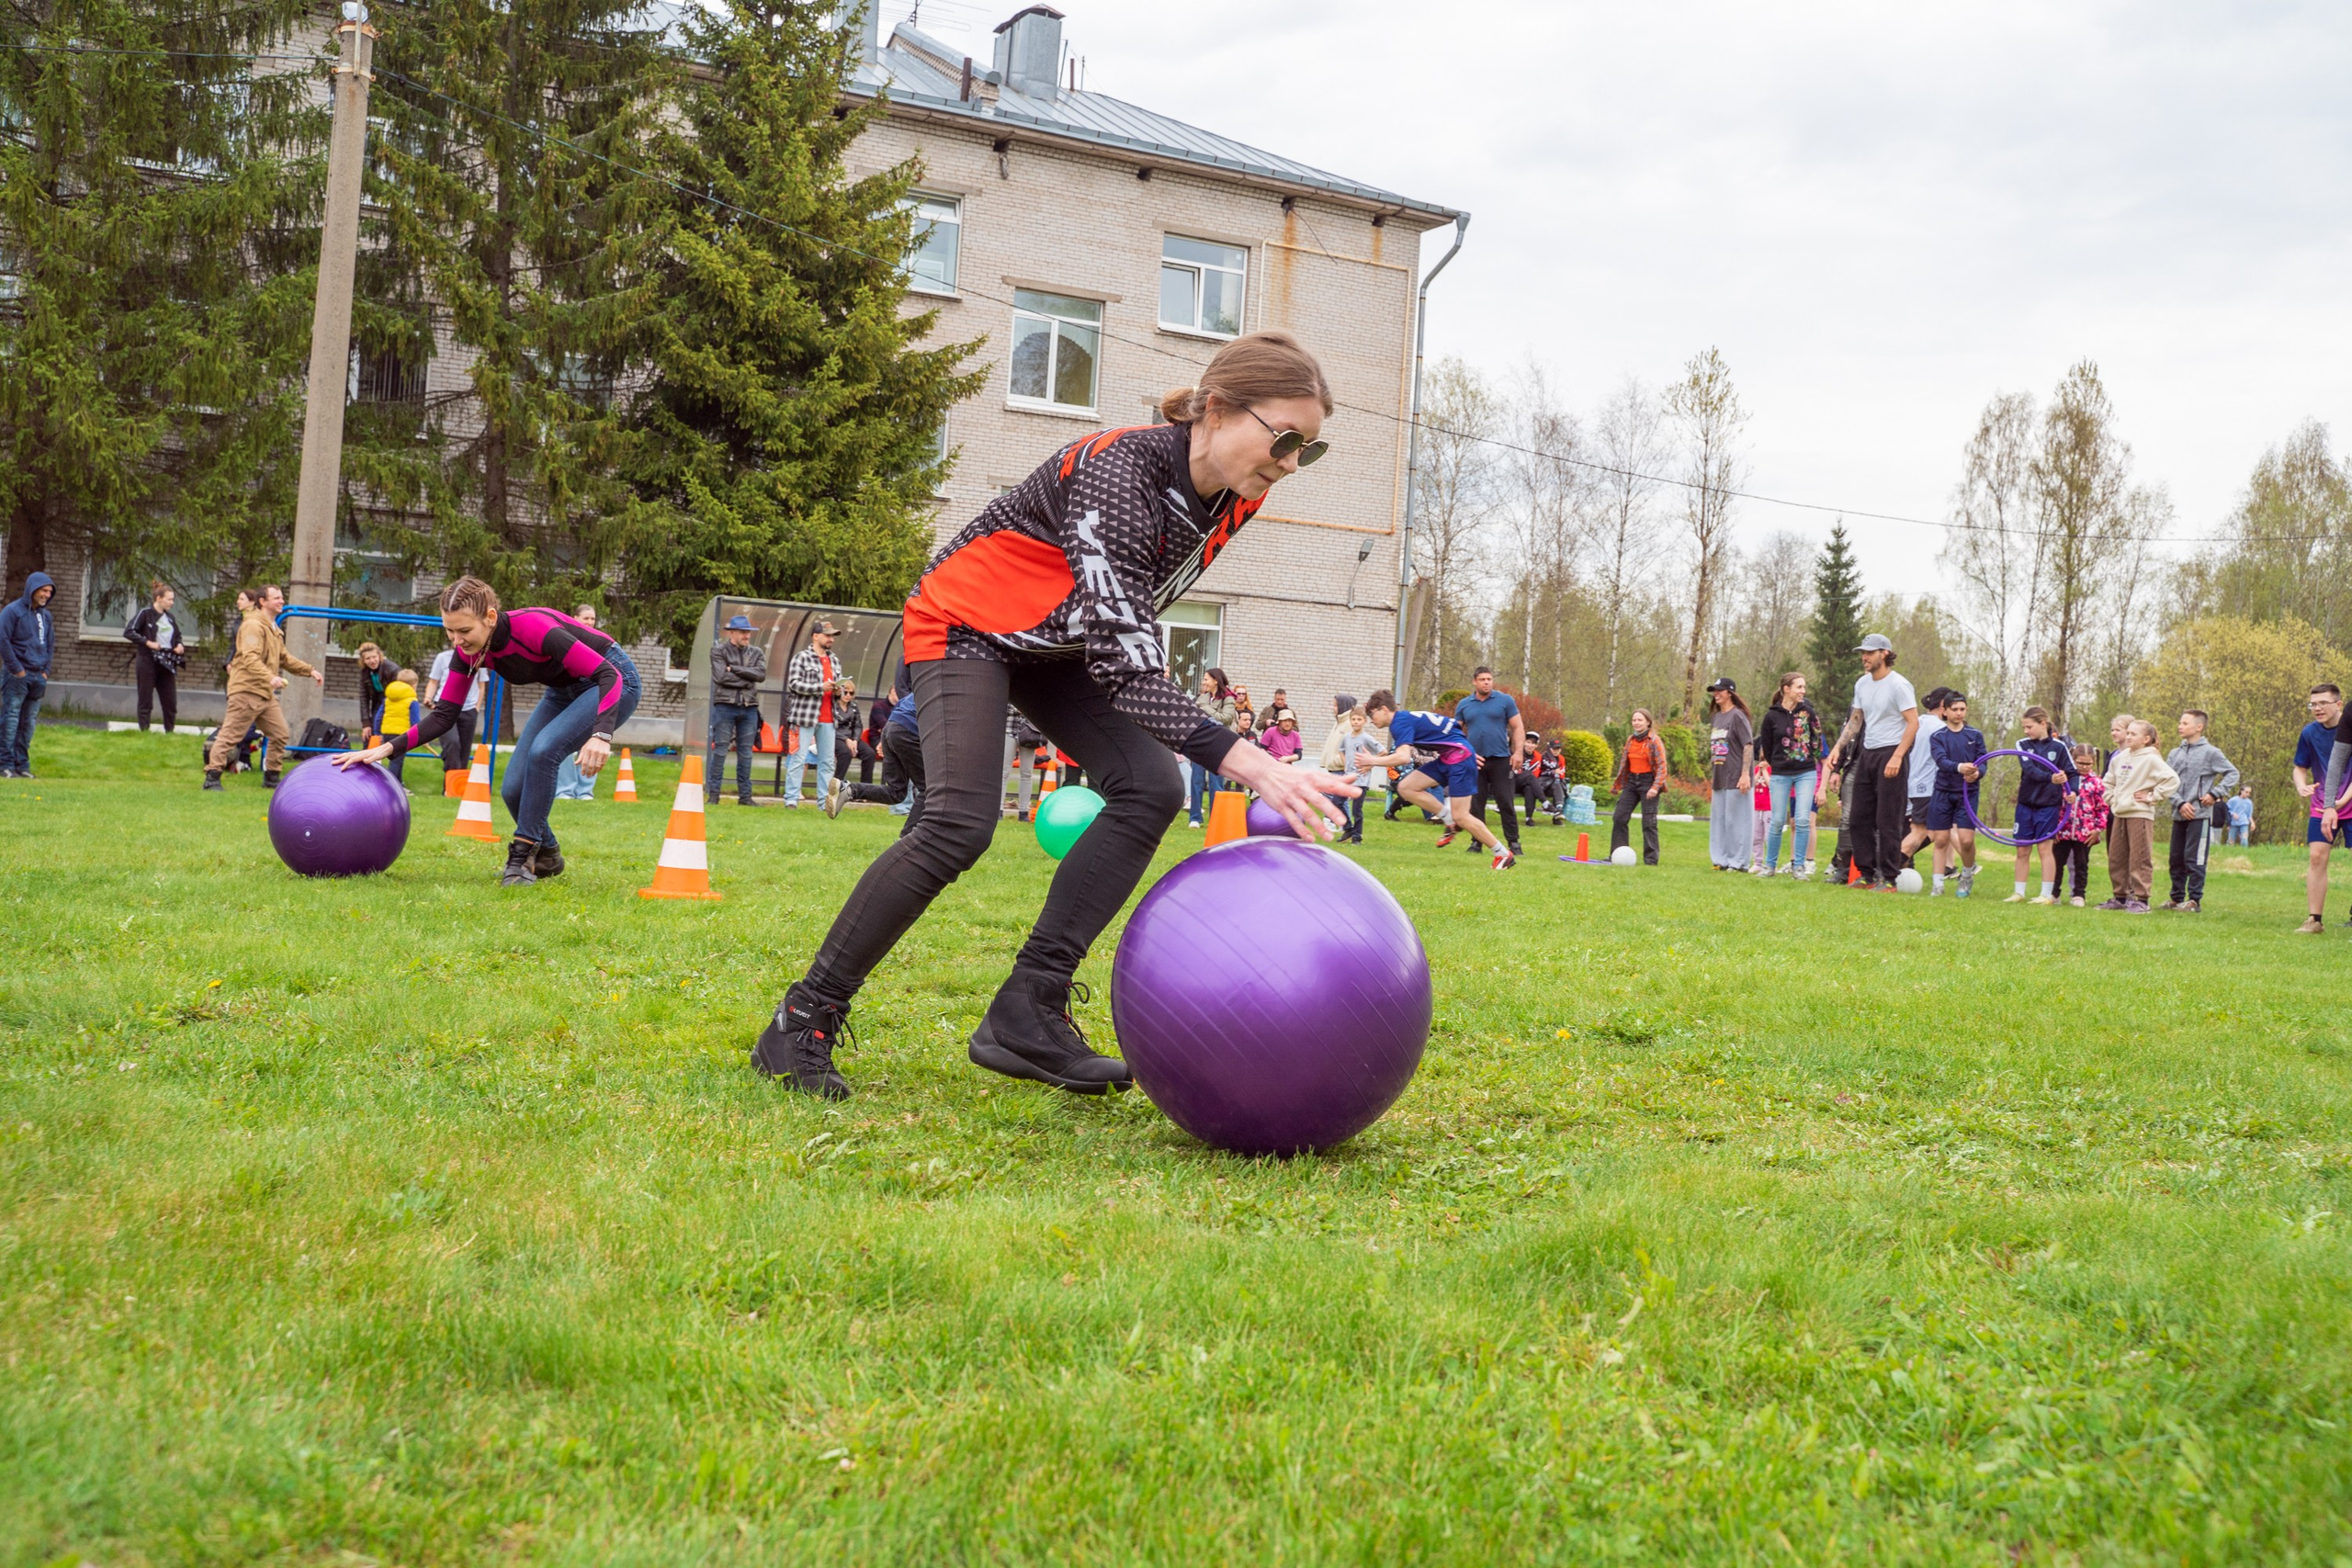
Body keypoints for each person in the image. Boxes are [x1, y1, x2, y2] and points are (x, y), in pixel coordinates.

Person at [752, 331, 1353, 1100]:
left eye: (1313, 448)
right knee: (958, 822)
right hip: (966, 623)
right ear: (1215, 409)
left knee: (1150, 787)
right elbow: (1126, 655)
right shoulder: (1118, 470)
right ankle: (800, 1021)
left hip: (1054, 642)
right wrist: (1252, 760)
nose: (1293, 463)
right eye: (1287, 439)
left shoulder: (1241, 489)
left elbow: (1124, 618)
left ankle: (1027, 1009)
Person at [337, 578, 641, 886]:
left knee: (545, 750)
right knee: (512, 791)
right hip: (563, 691)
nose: (456, 640)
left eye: (464, 631)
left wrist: (601, 735)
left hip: (614, 680)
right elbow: (444, 715)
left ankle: (521, 858)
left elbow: (608, 673)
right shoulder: (468, 652)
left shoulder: (534, 627)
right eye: (449, 631)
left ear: (491, 617)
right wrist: (385, 749)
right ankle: (548, 854)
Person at [1360, 692, 1515, 868]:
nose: (1371, 720)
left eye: (1372, 715)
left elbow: (1403, 757)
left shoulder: (1399, 723)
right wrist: (1467, 749)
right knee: (1406, 787)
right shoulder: (1406, 717)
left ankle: (1503, 854)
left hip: (1459, 760)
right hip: (1451, 758)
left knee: (1462, 816)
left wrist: (1372, 760)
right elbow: (1451, 726)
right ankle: (1448, 819)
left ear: (1384, 709)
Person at [1822, 633, 1919, 888]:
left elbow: (1913, 723)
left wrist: (1898, 756)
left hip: (1892, 753)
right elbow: (1856, 720)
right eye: (1862, 653)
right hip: (1868, 752)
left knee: (1888, 819)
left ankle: (1888, 878)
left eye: (1869, 652)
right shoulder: (1862, 684)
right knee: (1858, 818)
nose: (1864, 657)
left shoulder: (1899, 685)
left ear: (1884, 653)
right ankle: (1865, 873)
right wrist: (1837, 748)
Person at [203, 585, 323, 790]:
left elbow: (283, 658)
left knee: (280, 733)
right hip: (246, 691)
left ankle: (272, 779)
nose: (282, 601)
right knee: (230, 736)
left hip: (265, 694)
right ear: (262, 601)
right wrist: (270, 677)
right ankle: (212, 778)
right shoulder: (252, 625)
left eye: (282, 597)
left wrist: (309, 670)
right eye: (276, 598)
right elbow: (250, 657)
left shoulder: (273, 627)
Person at [2160, 709, 2238, 913]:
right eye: (2180, 722)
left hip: (2199, 816)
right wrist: (2179, 802)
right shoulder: (2174, 754)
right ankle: (2176, 898)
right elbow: (2165, 781)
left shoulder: (2211, 753)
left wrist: (2214, 793)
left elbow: (2232, 773)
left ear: (2199, 727)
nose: (2180, 726)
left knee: (2194, 858)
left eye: (2185, 723)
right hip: (2179, 814)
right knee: (2175, 858)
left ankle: (2194, 900)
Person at [2098, 718, 2177, 912]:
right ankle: (2120, 896)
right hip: (2120, 812)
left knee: (2139, 857)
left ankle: (2141, 899)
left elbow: (2172, 780)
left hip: (2140, 814)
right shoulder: (2119, 758)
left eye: (2134, 734)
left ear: (2146, 739)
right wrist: (2111, 799)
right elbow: (2108, 782)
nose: (2129, 736)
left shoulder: (2151, 759)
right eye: (2129, 733)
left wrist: (2152, 796)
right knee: (2116, 856)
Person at [2004, 705, 2080, 904]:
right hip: (2026, 804)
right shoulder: (2022, 744)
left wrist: (2073, 792)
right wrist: (2051, 778)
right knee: (2022, 849)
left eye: (2029, 726)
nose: (2026, 731)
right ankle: (2018, 892)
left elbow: (2072, 773)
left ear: (2043, 724)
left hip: (2049, 806)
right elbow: (2029, 769)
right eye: (2024, 727)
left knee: (2045, 849)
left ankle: (2046, 895)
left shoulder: (2059, 747)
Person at [1756, 672, 1825, 876]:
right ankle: (1769, 866)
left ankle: (1799, 867)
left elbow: (1817, 741)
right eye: (1799, 687)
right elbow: (1766, 748)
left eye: (1804, 687)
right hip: (1780, 774)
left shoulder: (1809, 713)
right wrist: (1778, 763)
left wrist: (1807, 758)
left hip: (1805, 773)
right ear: (1786, 689)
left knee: (1803, 820)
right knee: (1777, 821)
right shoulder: (1771, 716)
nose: (1803, 691)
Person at [841, 662, 924, 829]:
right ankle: (906, 841)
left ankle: (849, 789)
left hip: (892, 730)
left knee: (896, 791)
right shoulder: (946, 691)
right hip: (906, 732)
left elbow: (895, 719)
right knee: (930, 790)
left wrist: (886, 742)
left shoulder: (921, 688)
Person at [2291, 683, 2347, 933]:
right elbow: (2299, 767)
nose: (2317, 708)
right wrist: (2301, 785)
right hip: (2322, 806)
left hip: (2345, 801)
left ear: (2339, 704)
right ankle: (2314, 919)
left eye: (2323, 703)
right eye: (2313, 704)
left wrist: (2339, 802)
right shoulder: (2309, 733)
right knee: (2316, 857)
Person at [783, 619, 852, 811]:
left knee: (828, 762)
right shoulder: (801, 658)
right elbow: (794, 684)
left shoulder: (834, 660)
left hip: (829, 718)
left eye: (832, 636)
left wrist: (838, 690)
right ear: (815, 636)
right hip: (803, 717)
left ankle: (823, 803)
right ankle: (791, 800)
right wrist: (819, 687)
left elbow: (837, 687)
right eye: (827, 635)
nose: (831, 639)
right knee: (798, 758)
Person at [1456, 667, 1526, 856]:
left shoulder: (1505, 701)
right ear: (1474, 682)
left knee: (1505, 801)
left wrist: (1518, 752)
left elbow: (1518, 727)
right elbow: (1456, 732)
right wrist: (1462, 754)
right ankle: (1477, 842)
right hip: (1475, 761)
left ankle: (1514, 843)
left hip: (1501, 759)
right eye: (1482, 679)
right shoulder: (1464, 705)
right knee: (1476, 803)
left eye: (1489, 679)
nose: (1486, 682)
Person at [1925, 691, 1986, 897]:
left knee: (1966, 840)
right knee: (1941, 839)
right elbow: (1941, 761)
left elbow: (1983, 762)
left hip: (1967, 793)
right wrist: (1960, 768)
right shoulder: (1938, 736)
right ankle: (1937, 885)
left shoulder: (1975, 735)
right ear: (1945, 711)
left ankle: (1967, 876)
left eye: (1962, 709)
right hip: (1943, 792)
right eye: (1954, 709)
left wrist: (1977, 773)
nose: (1959, 713)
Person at [0, 570, 55, 779]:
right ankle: (5, 764)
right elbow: (3, 640)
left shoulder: (46, 616)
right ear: (32, 589)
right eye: (43, 590)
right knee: (11, 718)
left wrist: (45, 672)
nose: (47, 595)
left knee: (29, 722)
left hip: (38, 677)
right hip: (17, 676)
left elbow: (50, 645)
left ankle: (22, 765)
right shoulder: (12, 611)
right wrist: (18, 670)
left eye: (49, 591)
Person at [707, 613, 766, 807]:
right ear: (731, 633)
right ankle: (714, 796)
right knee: (721, 750)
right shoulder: (719, 651)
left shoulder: (756, 652)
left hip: (749, 708)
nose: (747, 636)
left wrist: (735, 669)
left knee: (746, 753)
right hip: (725, 706)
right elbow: (721, 677)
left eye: (748, 632)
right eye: (743, 632)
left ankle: (745, 798)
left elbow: (760, 675)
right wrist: (747, 680)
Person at [1897, 689, 1952, 875]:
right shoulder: (1940, 728)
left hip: (1908, 784)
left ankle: (1896, 868)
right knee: (1925, 833)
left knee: (1914, 831)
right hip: (1927, 787)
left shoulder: (1916, 722)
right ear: (1944, 705)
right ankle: (1889, 866)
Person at [122, 581, 189, 734]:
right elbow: (129, 631)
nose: (172, 602)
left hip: (166, 661)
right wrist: (148, 643)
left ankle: (170, 732)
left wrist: (179, 645)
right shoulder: (145, 614)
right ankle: (144, 731)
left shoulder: (170, 617)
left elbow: (177, 636)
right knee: (146, 699)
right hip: (148, 661)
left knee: (170, 701)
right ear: (159, 598)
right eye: (169, 599)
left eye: (173, 599)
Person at [553, 604, 605, 801]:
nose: (590, 622)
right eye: (586, 618)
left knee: (589, 744)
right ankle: (566, 789)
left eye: (592, 619)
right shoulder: (566, 639)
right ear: (575, 618)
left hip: (592, 698)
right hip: (569, 696)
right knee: (565, 742)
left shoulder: (598, 641)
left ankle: (584, 791)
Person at [1703, 677, 1755, 870]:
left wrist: (1745, 774)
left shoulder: (1737, 716)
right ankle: (1720, 860)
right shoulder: (1717, 718)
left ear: (1730, 693)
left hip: (1736, 776)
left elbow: (1748, 745)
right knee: (1719, 821)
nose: (1716, 694)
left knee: (1737, 822)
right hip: (1720, 775)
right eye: (1714, 691)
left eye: (1720, 690)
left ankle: (1739, 862)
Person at [427, 640, 488, 788]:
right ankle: (450, 787)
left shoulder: (479, 658)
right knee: (452, 743)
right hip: (446, 707)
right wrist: (428, 698)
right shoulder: (443, 658)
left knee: (464, 750)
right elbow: (434, 681)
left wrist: (476, 707)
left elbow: (481, 685)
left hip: (469, 708)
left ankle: (457, 788)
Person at [2055, 743, 2109, 907]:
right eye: (2080, 763)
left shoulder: (2097, 783)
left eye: (2088, 764)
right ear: (2073, 760)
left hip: (2085, 833)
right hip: (2062, 831)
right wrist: (2054, 829)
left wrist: (2098, 829)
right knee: (2057, 862)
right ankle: (2053, 892)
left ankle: (2078, 894)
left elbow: (2103, 808)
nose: (2084, 767)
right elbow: (2054, 804)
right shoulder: (2062, 780)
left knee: (2081, 864)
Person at [1611, 709, 1667, 863]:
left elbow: (1662, 766)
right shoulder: (1630, 740)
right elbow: (1624, 765)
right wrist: (1618, 785)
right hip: (1631, 782)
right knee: (1619, 817)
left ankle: (1650, 860)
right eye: (1634, 720)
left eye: (1640, 720)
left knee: (1649, 822)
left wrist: (1655, 787)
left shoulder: (1654, 741)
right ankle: (1617, 854)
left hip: (1648, 782)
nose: (1636, 723)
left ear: (1648, 722)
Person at [1186, 669, 1236, 826]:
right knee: (1196, 780)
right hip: (1200, 741)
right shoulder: (1203, 697)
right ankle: (1195, 818)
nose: (1203, 682)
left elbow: (1225, 719)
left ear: (1216, 680)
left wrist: (1205, 708)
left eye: (1206, 679)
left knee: (1216, 783)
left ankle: (1215, 818)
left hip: (1218, 744)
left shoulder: (1228, 699)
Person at [1337, 705, 1380, 844]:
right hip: (1348, 777)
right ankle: (1348, 828)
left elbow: (1383, 752)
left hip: (1361, 779)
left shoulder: (1366, 738)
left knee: (1357, 809)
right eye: (1353, 719)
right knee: (1336, 802)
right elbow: (1341, 750)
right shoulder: (1347, 737)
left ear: (1365, 721)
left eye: (1359, 719)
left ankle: (1357, 836)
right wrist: (1345, 765)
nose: (1355, 722)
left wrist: (1370, 765)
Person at [377, 668, 419, 786]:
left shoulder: (388, 699)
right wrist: (419, 734)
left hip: (387, 732)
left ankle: (399, 784)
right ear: (413, 685)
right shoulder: (412, 700)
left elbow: (379, 716)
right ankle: (390, 786)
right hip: (402, 734)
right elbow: (415, 721)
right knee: (396, 761)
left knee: (397, 760)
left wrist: (377, 732)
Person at [355, 642, 399, 739]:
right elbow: (364, 697)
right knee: (370, 733)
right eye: (368, 658)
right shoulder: (365, 672)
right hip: (377, 701)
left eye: (374, 657)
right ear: (363, 661)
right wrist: (366, 723)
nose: (372, 661)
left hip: (391, 702)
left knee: (385, 734)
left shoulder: (392, 669)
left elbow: (400, 692)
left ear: (379, 656)